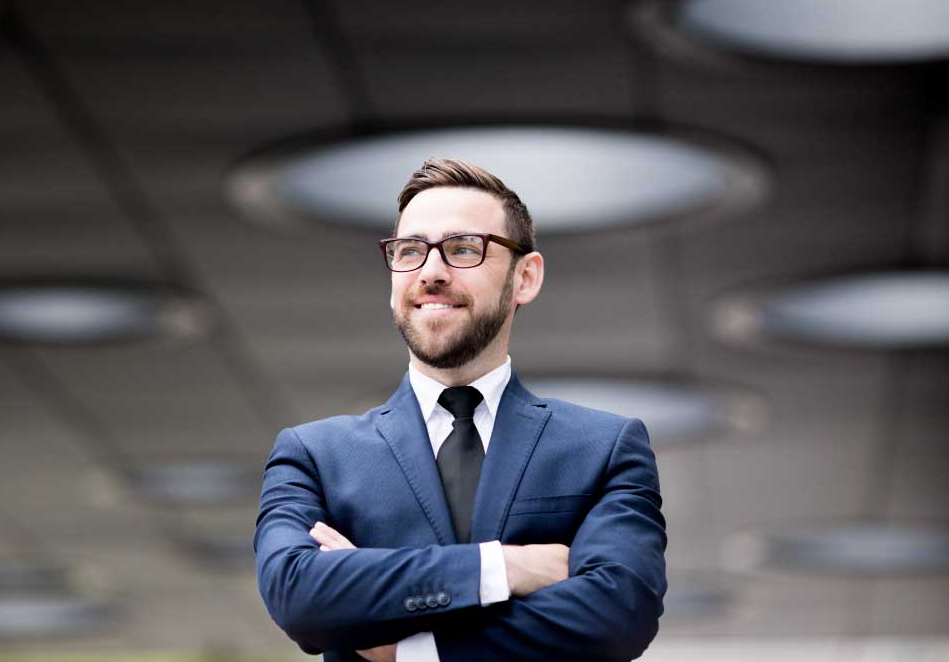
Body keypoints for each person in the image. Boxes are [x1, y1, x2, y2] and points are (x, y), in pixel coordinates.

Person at [254, 158, 667, 661]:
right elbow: (297, 593)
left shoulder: (603, 449)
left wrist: (404, 650)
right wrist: (505, 568)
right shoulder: (315, 456)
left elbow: (619, 614)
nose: (431, 272)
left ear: (525, 277)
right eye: (410, 250)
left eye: (464, 249)